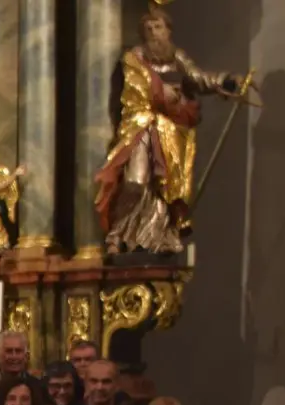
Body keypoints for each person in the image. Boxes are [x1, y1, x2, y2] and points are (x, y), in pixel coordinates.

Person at [95, 7, 245, 254]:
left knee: (165, 187)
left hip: (172, 130)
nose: (154, 33)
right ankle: (117, 234)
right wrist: (159, 93)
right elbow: (135, 89)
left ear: (168, 31)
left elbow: (198, 78)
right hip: (142, 125)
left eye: (158, 27)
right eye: (149, 29)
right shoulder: (134, 58)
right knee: (135, 181)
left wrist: (226, 81)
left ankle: (158, 237)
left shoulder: (177, 57)